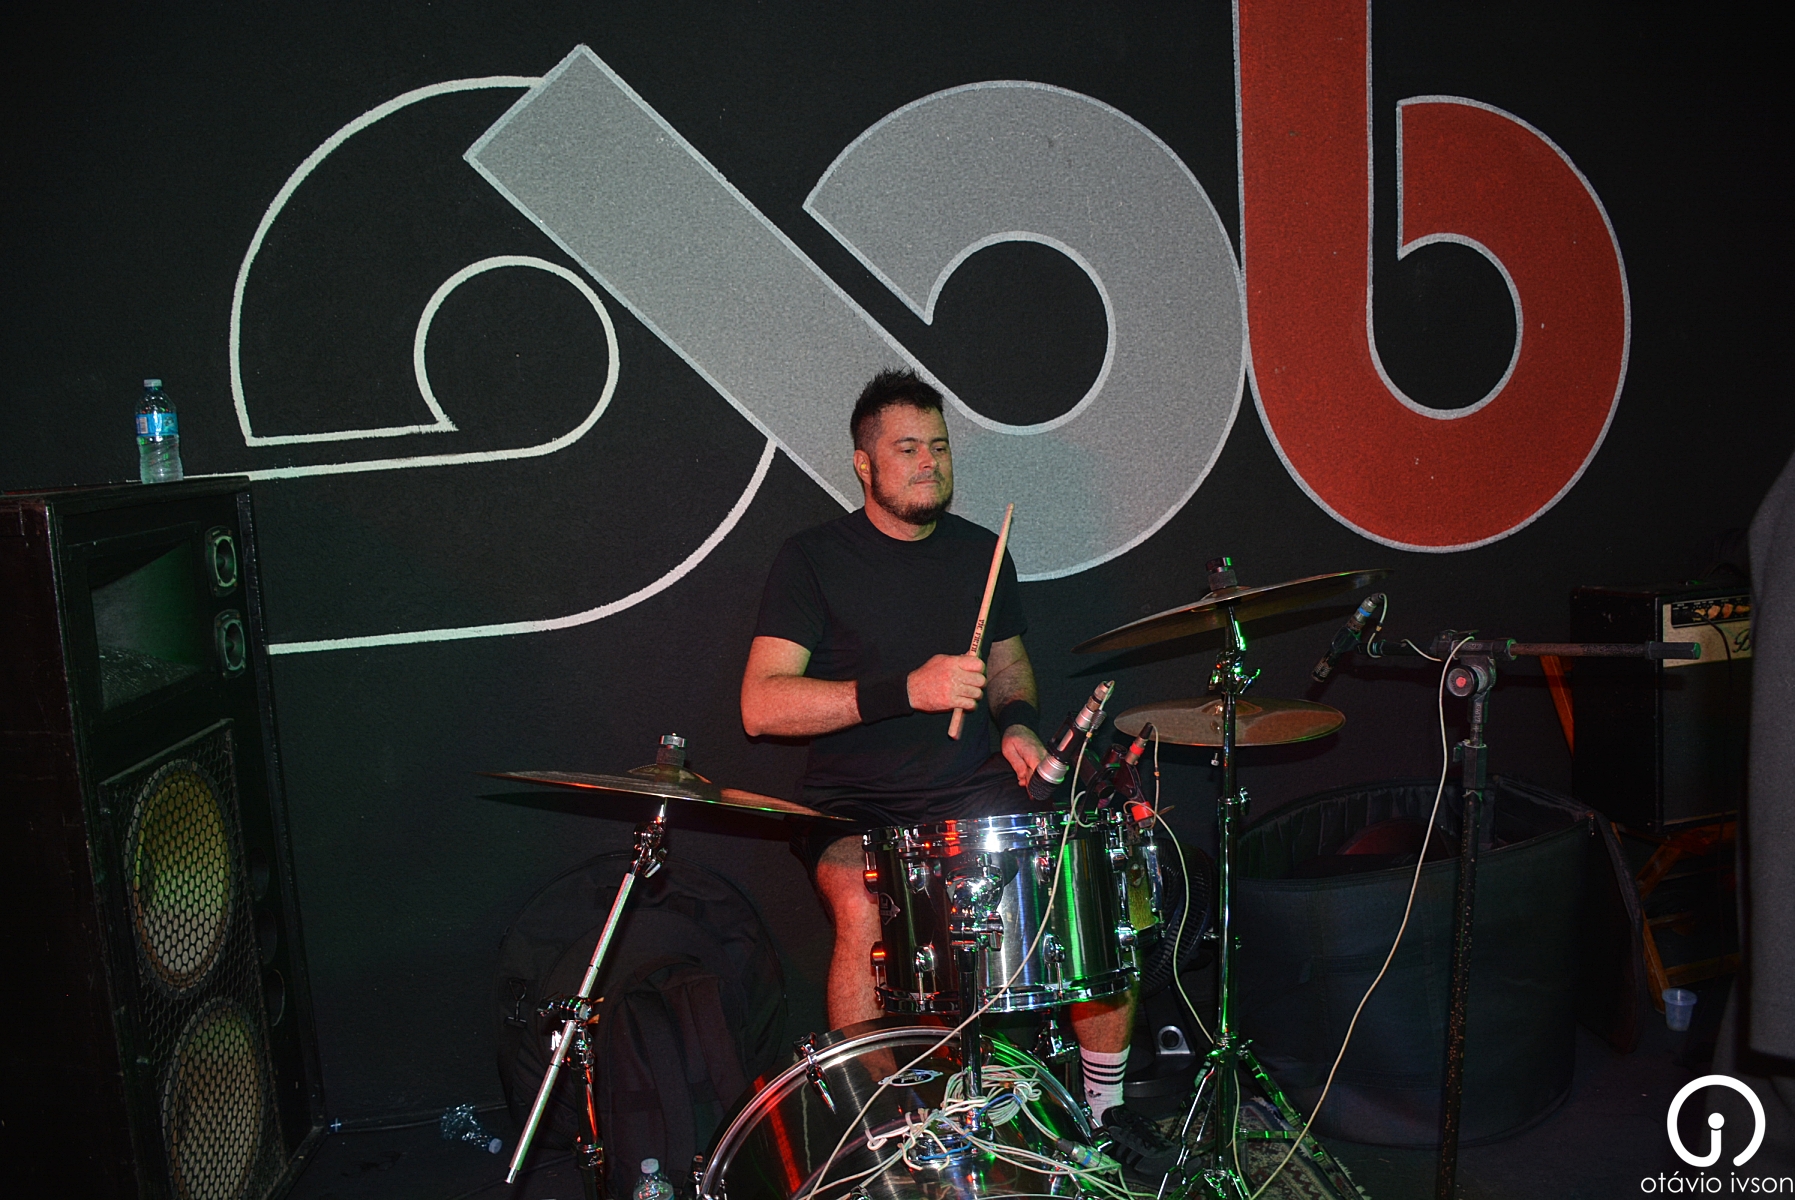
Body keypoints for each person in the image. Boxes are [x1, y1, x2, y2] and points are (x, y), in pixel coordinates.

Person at [740, 367, 1174, 1169]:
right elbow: (761, 705)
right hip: (854, 804)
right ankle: (883, 1132)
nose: (928, 463)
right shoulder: (812, 559)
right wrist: (905, 690)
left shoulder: (982, 551)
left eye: (937, 447)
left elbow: (1007, 666)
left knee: (1081, 882)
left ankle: (1104, 1114)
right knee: (864, 905)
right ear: (863, 463)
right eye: (905, 448)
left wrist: (1017, 725)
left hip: (973, 790)